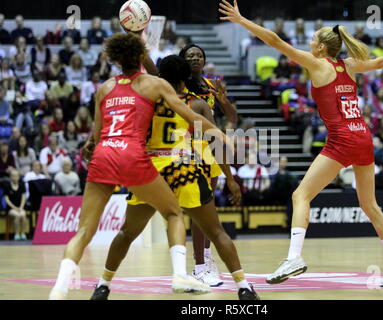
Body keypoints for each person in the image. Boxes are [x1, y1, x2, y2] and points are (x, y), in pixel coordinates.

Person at [219, 0, 383, 287]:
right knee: (370, 205)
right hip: (363, 136)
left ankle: (294, 257)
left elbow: (275, 40)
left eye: (313, 39)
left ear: (321, 48)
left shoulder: (317, 64)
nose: (310, 42)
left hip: (342, 139)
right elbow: (377, 63)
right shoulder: (349, 65)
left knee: (300, 196)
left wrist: (242, 21)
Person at [48, 33, 227, 300]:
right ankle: (180, 274)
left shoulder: (104, 88)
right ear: (140, 57)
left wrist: (88, 146)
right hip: (136, 156)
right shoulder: (152, 85)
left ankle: (61, 287)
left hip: (104, 154)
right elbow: (187, 111)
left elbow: (95, 136)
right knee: (174, 214)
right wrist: (221, 135)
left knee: (86, 231)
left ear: (114, 59)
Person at [90, 55, 258, 300]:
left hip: (150, 173)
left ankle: (102, 285)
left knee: (127, 233)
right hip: (184, 170)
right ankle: (243, 287)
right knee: (217, 232)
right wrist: (230, 179)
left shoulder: (144, 102)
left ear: (160, 77)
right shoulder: (196, 104)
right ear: (185, 79)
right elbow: (215, 145)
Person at [179, 43, 238, 282]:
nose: (195, 59)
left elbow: (232, 118)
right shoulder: (178, 84)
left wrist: (223, 101)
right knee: (199, 209)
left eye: (199, 55)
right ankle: (200, 264)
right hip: (184, 147)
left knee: (207, 208)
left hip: (209, 149)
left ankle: (204, 261)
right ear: (183, 60)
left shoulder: (212, 84)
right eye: (190, 55)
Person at [4, 169, 27, 240]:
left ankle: (23, 233)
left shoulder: (21, 185)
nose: (15, 178)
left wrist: (21, 207)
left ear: (19, 177)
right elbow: (6, 199)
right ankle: (16, 234)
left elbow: (23, 197)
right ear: (10, 177)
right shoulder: (7, 186)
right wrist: (14, 208)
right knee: (17, 215)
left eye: (16, 176)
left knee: (23, 215)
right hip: (11, 208)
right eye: (13, 176)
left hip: (20, 207)